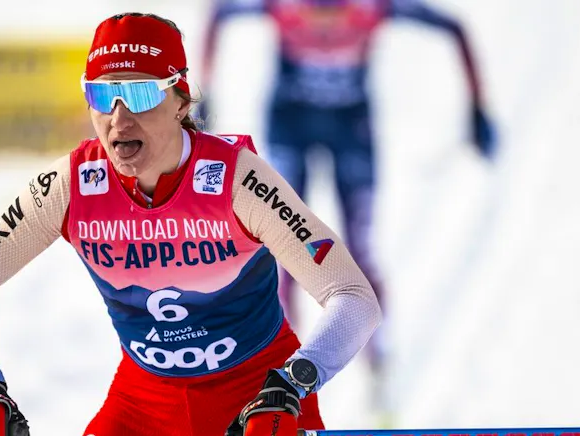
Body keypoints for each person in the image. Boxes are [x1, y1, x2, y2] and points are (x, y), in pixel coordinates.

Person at [0, 12, 381, 436]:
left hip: (262, 416)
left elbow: (352, 297)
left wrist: (293, 383)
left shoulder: (237, 180)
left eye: (140, 93)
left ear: (180, 99)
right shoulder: (70, 186)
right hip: (142, 424)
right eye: (102, 95)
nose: (119, 119)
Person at [199, 0, 496, 400]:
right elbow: (219, 13)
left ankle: (378, 375)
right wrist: (204, 93)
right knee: (283, 254)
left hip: (346, 130)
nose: (325, 17)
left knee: (359, 253)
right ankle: (277, 377)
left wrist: (477, 109)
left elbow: (453, 27)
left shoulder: (370, 6)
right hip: (297, 126)